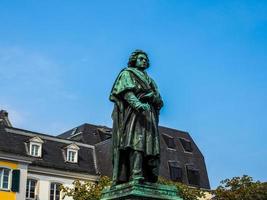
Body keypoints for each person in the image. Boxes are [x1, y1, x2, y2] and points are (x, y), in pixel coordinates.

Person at [109, 50, 163, 185]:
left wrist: (153, 97)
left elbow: (160, 101)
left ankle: (148, 175)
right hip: (134, 114)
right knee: (136, 142)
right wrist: (138, 104)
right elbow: (126, 93)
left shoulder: (151, 81)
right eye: (141, 58)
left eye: (145, 59)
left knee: (149, 145)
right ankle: (136, 173)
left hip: (149, 116)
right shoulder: (127, 73)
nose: (144, 61)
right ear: (134, 60)